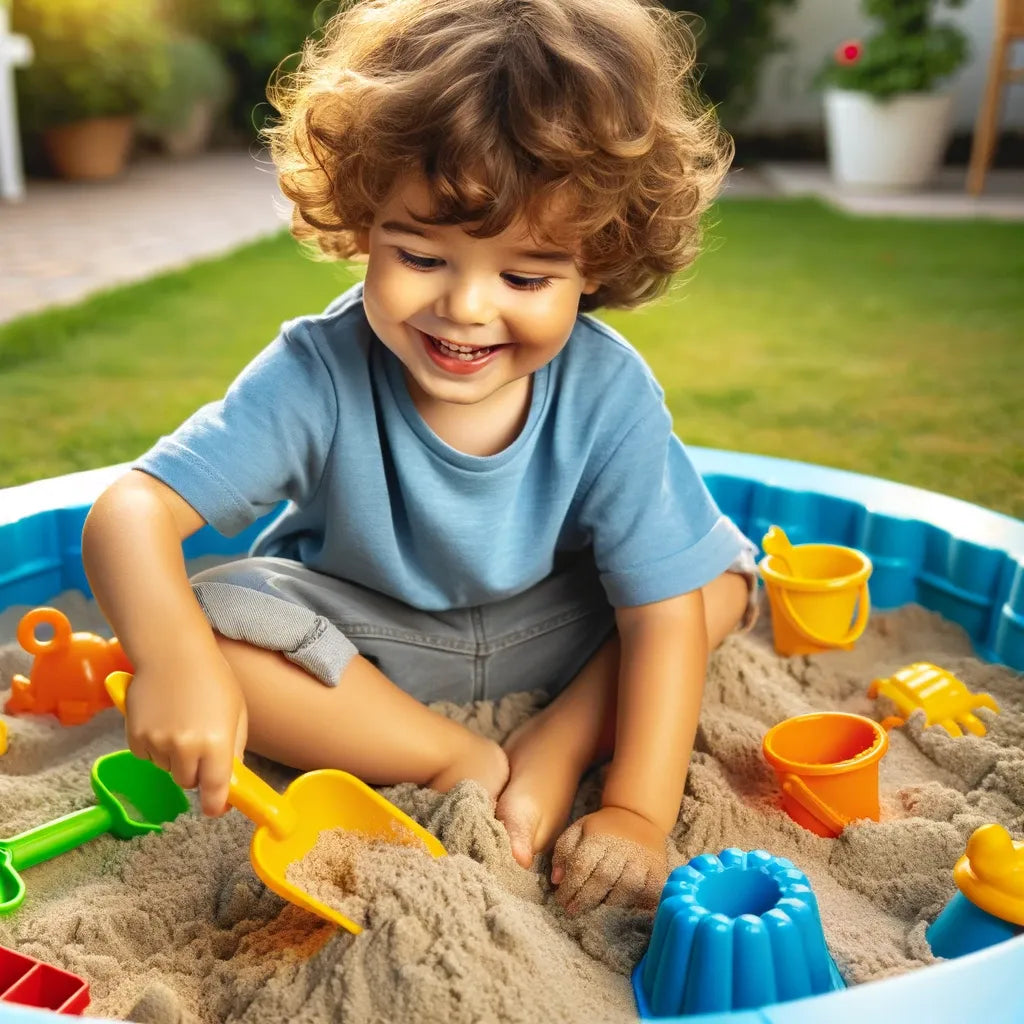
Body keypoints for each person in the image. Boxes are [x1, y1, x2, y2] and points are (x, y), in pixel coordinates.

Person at [82, 0, 757, 915]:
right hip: (370, 653)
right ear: (366, 220)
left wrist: (638, 811)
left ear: (596, 258)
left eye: (525, 276)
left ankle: (558, 743)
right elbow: (132, 512)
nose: (468, 308)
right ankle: (452, 760)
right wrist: (173, 662)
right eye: (420, 254)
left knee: (710, 586)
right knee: (206, 616)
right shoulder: (317, 371)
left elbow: (659, 618)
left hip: (557, 632)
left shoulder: (608, 390)